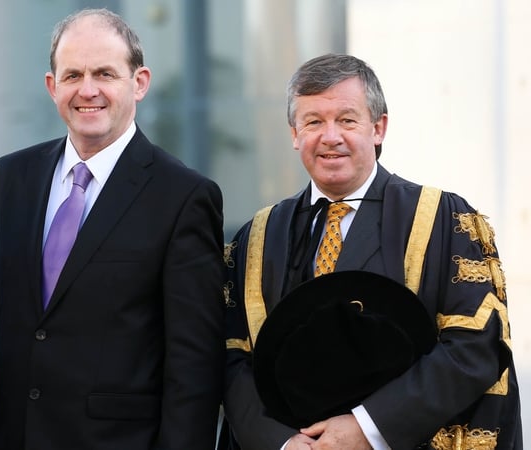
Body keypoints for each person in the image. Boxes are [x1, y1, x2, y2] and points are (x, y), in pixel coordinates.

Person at [221, 54, 522, 449]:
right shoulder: (257, 237)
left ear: (378, 128)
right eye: (313, 122)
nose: (330, 137)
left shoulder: (440, 219)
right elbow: (233, 359)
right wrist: (280, 441)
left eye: (347, 120)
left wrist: (367, 428)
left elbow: (475, 345)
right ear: (294, 134)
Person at [0, 7, 225, 450]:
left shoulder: (183, 197)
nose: (88, 90)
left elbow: (194, 367)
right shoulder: (11, 177)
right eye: (72, 76)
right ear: (52, 87)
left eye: (105, 73)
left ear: (138, 82)